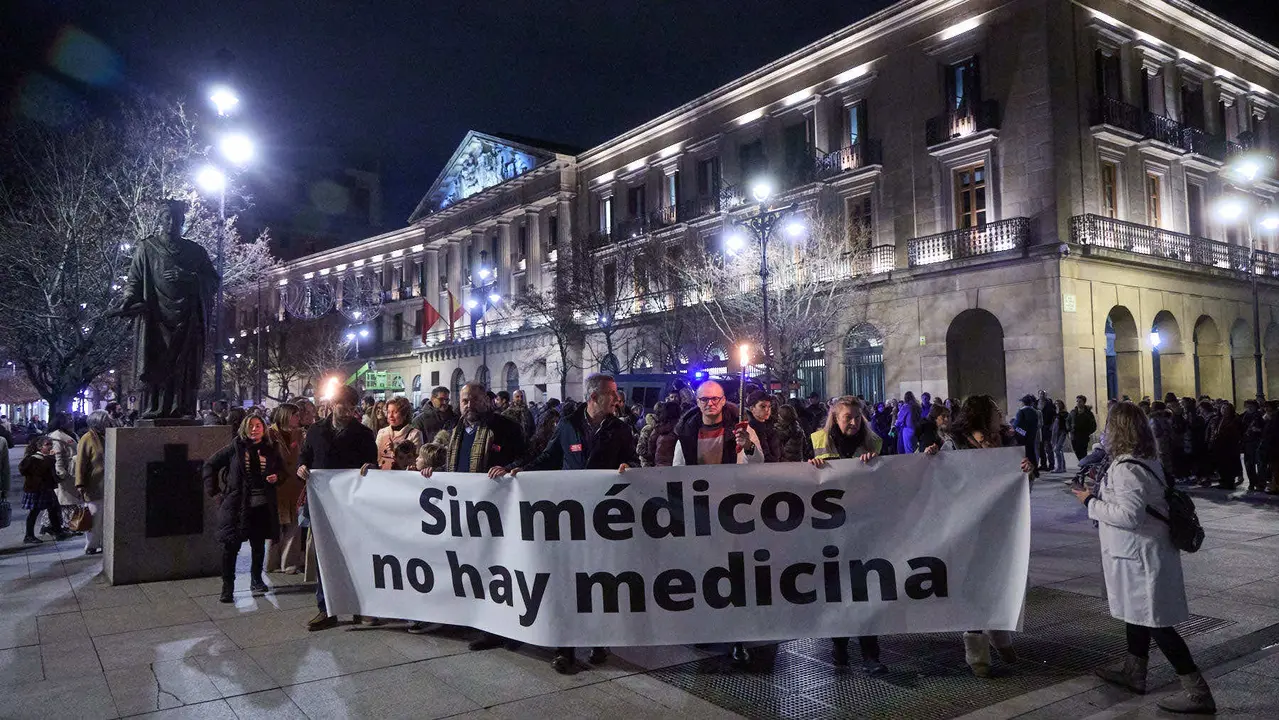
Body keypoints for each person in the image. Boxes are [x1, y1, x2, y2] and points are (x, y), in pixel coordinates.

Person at [1075, 402, 1216, 714]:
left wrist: (1090, 502)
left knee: (1156, 623)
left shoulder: (1126, 469)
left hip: (1140, 556)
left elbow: (1129, 515)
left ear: (1119, 430)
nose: (1105, 431)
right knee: (1138, 615)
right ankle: (1133, 671)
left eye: (1109, 425)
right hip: (1139, 554)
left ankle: (1197, 690)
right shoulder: (1144, 460)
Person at [512, 374, 636, 673]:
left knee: (600, 580)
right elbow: (548, 458)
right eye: (612, 394)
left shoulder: (620, 429)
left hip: (604, 518)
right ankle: (565, 649)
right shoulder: (568, 425)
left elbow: (634, 461)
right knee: (567, 581)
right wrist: (519, 472)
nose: (617, 399)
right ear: (595, 397)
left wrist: (629, 467)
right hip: (569, 517)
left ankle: (598, 640)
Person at [925, 394, 1033, 677]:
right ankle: (977, 652)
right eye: (996, 410)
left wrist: (1027, 471)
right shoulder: (954, 445)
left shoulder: (1007, 441)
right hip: (966, 527)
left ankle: (1000, 636)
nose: (1001, 415)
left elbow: (1020, 484)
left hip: (1000, 526)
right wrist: (928, 459)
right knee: (971, 584)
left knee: (999, 579)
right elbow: (931, 478)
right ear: (983, 416)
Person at [420, 383, 527, 648]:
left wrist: (509, 468)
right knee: (470, 567)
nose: (468, 405)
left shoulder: (506, 428)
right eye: (464, 400)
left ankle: (500, 629)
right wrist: (433, 473)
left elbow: (526, 457)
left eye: (474, 400)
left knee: (496, 569)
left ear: (487, 401)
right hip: (465, 512)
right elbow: (453, 465)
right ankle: (472, 618)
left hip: (496, 511)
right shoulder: (456, 431)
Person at [672, 380, 763, 664]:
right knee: (703, 573)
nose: (709, 404)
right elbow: (677, 472)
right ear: (696, 402)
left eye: (715, 399)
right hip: (701, 514)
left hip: (733, 513)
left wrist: (747, 447)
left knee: (735, 575)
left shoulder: (741, 430)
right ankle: (704, 626)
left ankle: (737, 636)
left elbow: (758, 465)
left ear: (724, 401)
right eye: (704, 400)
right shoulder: (685, 433)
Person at [807, 397, 888, 675]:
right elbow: (796, 476)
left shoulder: (874, 442)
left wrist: (876, 463)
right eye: (847, 418)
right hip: (830, 529)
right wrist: (810, 467)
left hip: (864, 526)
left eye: (856, 417)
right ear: (835, 418)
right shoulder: (817, 440)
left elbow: (889, 478)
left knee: (865, 590)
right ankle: (839, 648)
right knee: (836, 590)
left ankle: (870, 653)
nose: (852, 422)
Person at [297, 385, 378, 631]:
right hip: (322, 504)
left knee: (354, 555)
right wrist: (301, 468)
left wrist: (370, 468)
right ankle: (326, 608)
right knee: (324, 557)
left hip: (350, 505)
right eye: (344, 406)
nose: (348, 412)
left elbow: (372, 462)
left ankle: (358, 607)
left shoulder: (363, 433)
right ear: (333, 404)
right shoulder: (315, 430)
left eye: (353, 407)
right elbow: (305, 456)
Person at [204, 415, 285, 604]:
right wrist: (215, 492)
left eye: (258, 426)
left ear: (264, 428)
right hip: (238, 506)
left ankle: (256, 579)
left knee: (258, 546)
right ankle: (228, 588)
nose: (255, 429)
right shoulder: (235, 447)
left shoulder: (270, 449)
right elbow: (210, 465)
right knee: (231, 547)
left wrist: (277, 477)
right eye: (251, 426)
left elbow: (281, 471)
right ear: (244, 428)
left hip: (262, 506)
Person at [265, 404, 305, 575]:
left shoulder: (300, 434)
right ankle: (271, 562)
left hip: (295, 485)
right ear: (286, 415)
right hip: (276, 485)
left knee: (294, 525)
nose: (298, 418)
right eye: (295, 415)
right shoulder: (270, 433)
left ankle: (289, 562)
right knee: (275, 525)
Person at [74, 410, 112, 555]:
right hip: (94, 484)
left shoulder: (109, 435)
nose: (109, 422)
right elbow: (81, 463)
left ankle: (105, 543)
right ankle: (91, 545)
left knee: (107, 517)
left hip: (108, 483)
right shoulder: (87, 438)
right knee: (94, 516)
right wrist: (80, 484)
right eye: (106, 420)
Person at [20, 437, 71, 543]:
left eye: (51, 444)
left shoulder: (45, 458)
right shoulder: (34, 459)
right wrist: (52, 459)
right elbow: (39, 471)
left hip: (46, 489)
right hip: (37, 490)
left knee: (54, 509)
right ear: (40, 447)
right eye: (47, 444)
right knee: (34, 512)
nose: (50, 446)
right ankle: (29, 535)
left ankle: (58, 532)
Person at [376, 397, 424, 470]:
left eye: (395, 412)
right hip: (383, 475)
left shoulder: (415, 434)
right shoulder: (382, 432)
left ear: (404, 414)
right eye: (388, 412)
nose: (390, 416)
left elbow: (417, 461)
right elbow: (376, 457)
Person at [745, 391, 781, 463]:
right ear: (752, 408)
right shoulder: (752, 429)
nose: (767, 410)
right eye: (763, 406)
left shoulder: (770, 426)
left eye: (769, 406)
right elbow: (764, 455)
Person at [1241, 399, 1264, 492]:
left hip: (1257, 441)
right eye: (1247, 406)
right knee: (1248, 464)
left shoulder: (1260, 415)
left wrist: (1257, 430)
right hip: (1247, 442)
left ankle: (1260, 483)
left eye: (1251, 406)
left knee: (1260, 464)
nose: (1249, 408)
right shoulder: (1244, 416)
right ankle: (1252, 482)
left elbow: (1264, 429)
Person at [1068, 395, 1097, 461]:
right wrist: (1069, 428)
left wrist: (1088, 432)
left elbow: (1093, 425)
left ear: (1084, 402)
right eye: (1077, 401)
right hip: (1074, 435)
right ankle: (1082, 463)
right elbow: (1068, 421)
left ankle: (1084, 466)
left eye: (1080, 401)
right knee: (1076, 450)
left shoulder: (1088, 413)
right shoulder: (1073, 412)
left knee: (1083, 452)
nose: (1078, 403)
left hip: (1084, 435)